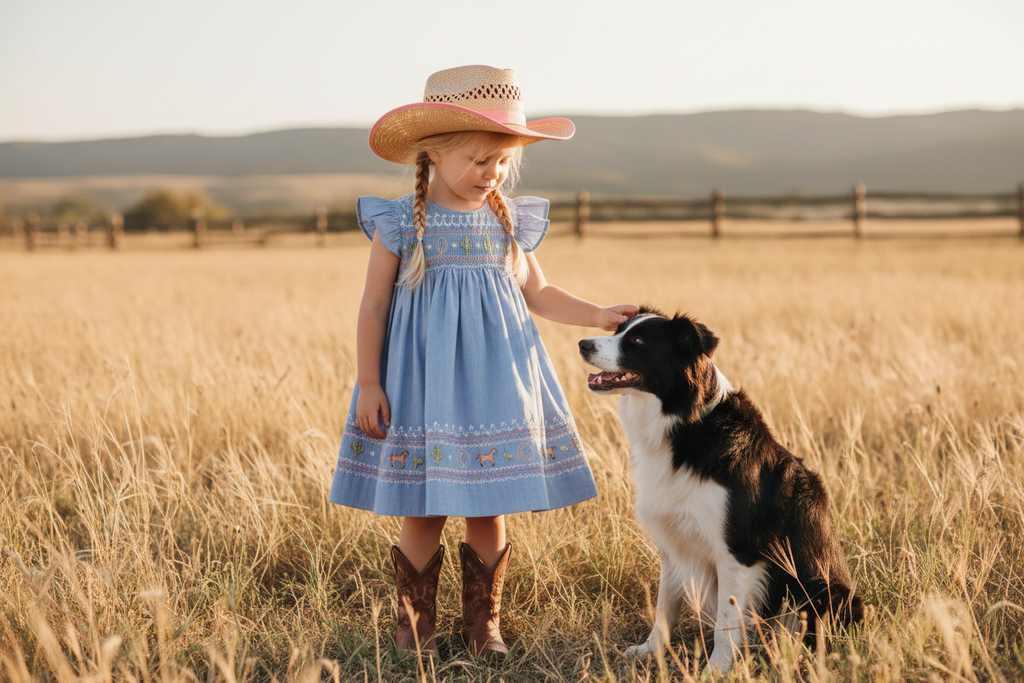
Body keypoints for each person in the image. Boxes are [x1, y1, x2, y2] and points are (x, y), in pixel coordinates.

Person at [328, 65, 638, 661]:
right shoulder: (400, 224)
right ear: (433, 152)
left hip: (495, 385)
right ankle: (414, 629)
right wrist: (369, 382)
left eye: (501, 163)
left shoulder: (508, 222)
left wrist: (599, 314)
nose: (490, 174)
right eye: (477, 160)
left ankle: (482, 627)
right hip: (421, 386)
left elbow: (540, 295)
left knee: (487, 506)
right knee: (424, 508)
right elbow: (371, 307)